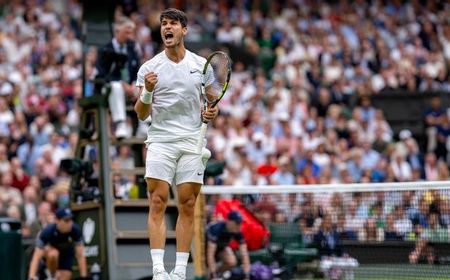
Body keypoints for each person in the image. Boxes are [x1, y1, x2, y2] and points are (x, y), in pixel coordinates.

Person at [133, 8, 219, 280]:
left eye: (172, 24)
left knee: (187, 204)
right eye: (163, 24)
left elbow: (211, 100)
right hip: (161, 140)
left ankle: (180, 271)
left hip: (192, 141)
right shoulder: (149, 68)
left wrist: (212, 111)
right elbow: (141, 114)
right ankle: (159, 269)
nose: (166, 28)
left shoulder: (201, 65)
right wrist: (147, 91)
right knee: (157, 200)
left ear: (184, 30)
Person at [96, 16, 140, 139]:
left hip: (130, 88)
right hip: (109, 88)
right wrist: (121, 83)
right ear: (117, 31)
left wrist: (134, 83)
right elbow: (101, 73)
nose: (129, 36)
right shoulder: (105, 49)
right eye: (126, 32)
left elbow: (138, 70)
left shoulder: (132, 49)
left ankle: (144, 124)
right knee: (116, 87)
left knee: (144, 86)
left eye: (131, 33)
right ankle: (120, 124)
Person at [28, 208, 87, 280]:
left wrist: (84, 277)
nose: (70, 223)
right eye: (66, 220)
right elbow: (36, 257)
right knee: (53, 254)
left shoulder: (75, 230)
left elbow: (80, 255)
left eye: (71, 220)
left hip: (66, 254)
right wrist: (31, 277)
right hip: (49, 257)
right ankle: (51, 276)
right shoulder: (47, 231)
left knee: (66, 276)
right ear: (57, 221)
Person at [206, 211, 251, 280]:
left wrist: (246, 276)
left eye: (240, 223)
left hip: (220, 247)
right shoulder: (216, 229)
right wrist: (213, 275)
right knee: (208, 271)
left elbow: (244, 254)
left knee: (232, 262)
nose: (239, 226)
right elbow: (210, 254)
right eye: (237, 223)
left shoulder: (237, 231)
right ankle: (212, 274)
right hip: (205, 249)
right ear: (229, 222)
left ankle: (217, 273)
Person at [313, 215, 358, 280]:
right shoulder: (318, 235)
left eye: (330, 222)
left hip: (336, 258)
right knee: (329, 267)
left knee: (353, 263)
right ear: (323, 223)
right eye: (327, 222)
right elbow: (319, 250)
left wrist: (344, 255)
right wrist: (326, 257)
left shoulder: (336, 234)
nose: (328, 224)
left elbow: (340, 248)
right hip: (325, 259)